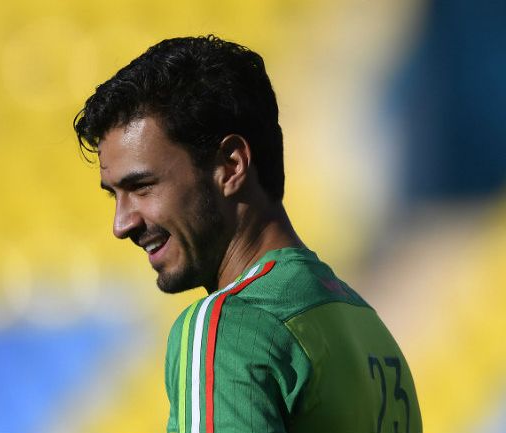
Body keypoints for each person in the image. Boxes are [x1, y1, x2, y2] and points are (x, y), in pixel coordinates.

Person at [73, 35, 421, 433]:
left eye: (142, 186)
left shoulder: (230, 326)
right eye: (114, 195)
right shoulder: (367, 327)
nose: (122, 224)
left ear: (231, 165)